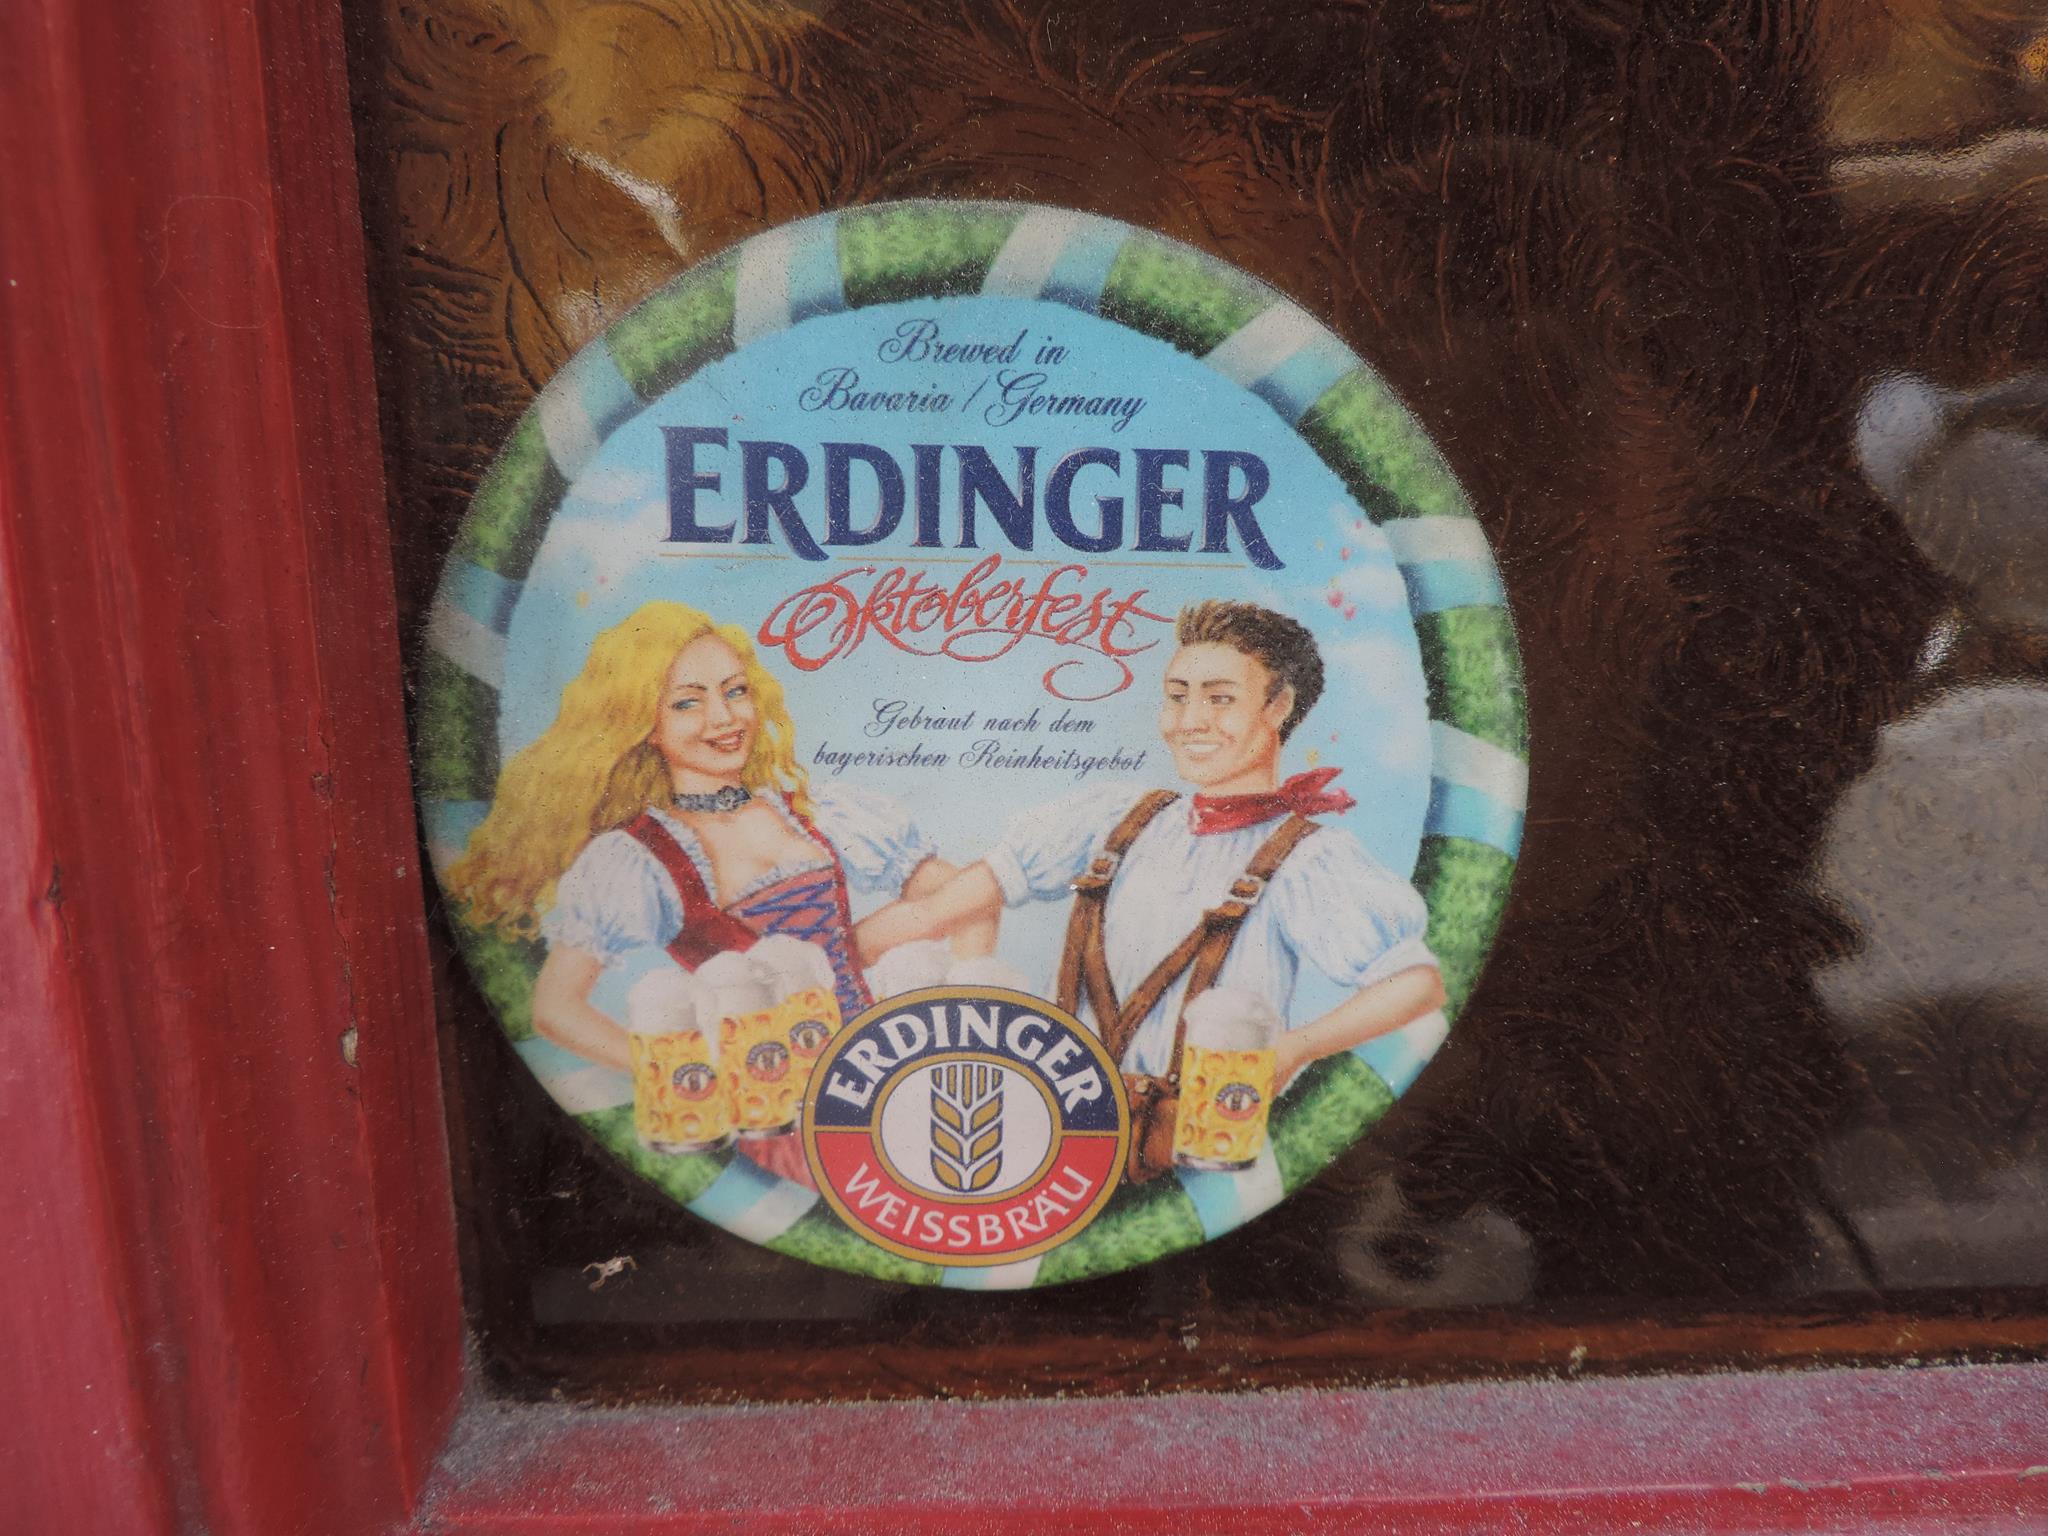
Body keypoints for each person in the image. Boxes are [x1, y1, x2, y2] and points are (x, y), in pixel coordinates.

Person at [866, 599, 1444, 1174]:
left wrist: (1295, 1048)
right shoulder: (1117, 817)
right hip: (1045, 1133)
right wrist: (840, 959)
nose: (1189, 721)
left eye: (1220, 698)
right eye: (1176, 696)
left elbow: (1417, 982)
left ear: (1279, 706)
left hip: (1181, 1153)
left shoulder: (1308, 858)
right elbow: (938, 911)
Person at [447, 599, 989, 1178]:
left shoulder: (812, 811)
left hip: (895, 1080)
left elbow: (964, 897)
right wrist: (692, 1071)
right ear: (644, 724)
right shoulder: (639, 857)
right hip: (787, 1122)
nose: (724, 717)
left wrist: (971, 1017)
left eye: (735, 691)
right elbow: (555, 1008)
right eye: (688, 702)